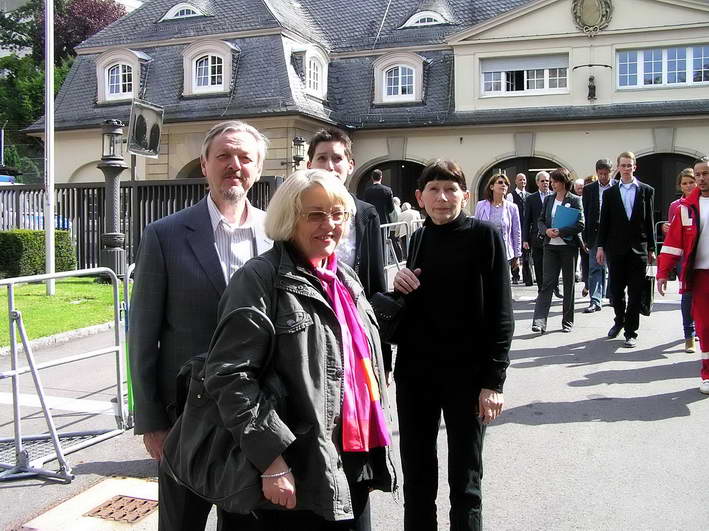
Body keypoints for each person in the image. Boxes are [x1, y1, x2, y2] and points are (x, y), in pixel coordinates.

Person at [203, 169, 396, 528]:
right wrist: (271, 461)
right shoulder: (259, 279)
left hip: (351, 458)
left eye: (338, 214)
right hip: (294, 469)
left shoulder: (343, 277)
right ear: (290, 219)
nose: (330, 224)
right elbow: (229, 377)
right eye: (316, 214)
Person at [129, 120, 271, 530]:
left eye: (245, 157)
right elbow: (142, 336)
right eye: (224, 155)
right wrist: (151, 420)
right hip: (184, 420)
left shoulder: (277, 235)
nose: (234, 165)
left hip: (253, 418)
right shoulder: (164, 235)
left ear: (257, 168)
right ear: (204, 164)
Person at [393, 160, 513, 531]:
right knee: (417, 478)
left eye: (450, 189)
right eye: (434, 190)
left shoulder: (485, 236)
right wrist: (399, 285)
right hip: (416, 375)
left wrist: (493, 382)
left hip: (467, 375)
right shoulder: (417, 239)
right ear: (420, 197)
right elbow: (411, 307)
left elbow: (502, 313)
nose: (442, 198)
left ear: (465, 194)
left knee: (466, 481)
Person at [306, 128, 391, 376]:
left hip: (355, 328)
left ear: (351, 165)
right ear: (309, 164)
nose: (330, 166)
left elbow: (376, 281)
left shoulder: (366, 214)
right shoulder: (295, 210)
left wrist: (382, 354)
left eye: (337, 158)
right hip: (309, 329)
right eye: (322, 158)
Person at [658, 157, 709, 394]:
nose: (701, 178)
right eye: (698, 174)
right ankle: (707, 374)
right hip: (699, 275)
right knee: (705, 326)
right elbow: (672, 243)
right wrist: (662, 273)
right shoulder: (685, 208)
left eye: (705, 174)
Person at [596, 151, 656, 348]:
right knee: (615, 290)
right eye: (623, 165)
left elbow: (650, 221)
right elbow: (604, 222)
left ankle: (631, 331)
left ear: (634, 167)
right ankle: (619, 321)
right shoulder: (610, 193)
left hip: (639, 249)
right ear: (618, 168)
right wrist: (600, 246)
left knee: (636, 292)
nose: (627, 169)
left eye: (630, 165)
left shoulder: (646, 190)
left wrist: (652, 248)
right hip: (616, 249)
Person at [531, 168, 585, 334]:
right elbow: (540, 220)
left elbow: (580, 224)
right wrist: (545, 230)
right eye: (551, 181)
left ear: (563, 182)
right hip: (550, 246)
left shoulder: (575, 200)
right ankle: (539, 321)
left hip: (568, 248)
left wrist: (561, 232)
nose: (552, 184)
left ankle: (567, 321)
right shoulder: (548, 200)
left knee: (568, 285)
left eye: (555, 181)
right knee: (547, 283)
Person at [661, 168, 698, 353]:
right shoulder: (676, 206)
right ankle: (688, 334)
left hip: (703, 257)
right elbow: (672, 235)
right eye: (684, 183)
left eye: (691, 181)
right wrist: (667, 229)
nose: (688, 186)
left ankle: (700, 327)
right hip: (684, 258)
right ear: (680, 186)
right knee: (687, 295)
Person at [582, 159, 615, 313]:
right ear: (597, 173)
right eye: (600, 174)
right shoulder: (589, 190)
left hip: (614, 233)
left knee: (614, 266)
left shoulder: (618, 187)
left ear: (611, 172)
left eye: (606, 173)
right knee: (595, 266)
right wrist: (585, 237)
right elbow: (585, 213)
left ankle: (613, 296)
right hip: (595, 233)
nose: (603, 176)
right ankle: (595, 300)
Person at [474, 173, 522, 278]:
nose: (504, 185)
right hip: (484, 251)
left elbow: (516, 232)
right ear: (491, 187)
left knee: (502, 283)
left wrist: (517, 256)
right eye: (500, 182)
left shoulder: (512, 207)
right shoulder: (481, 205)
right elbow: (475, 229)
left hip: (504, 251)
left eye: (506, 183)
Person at [523, 171, 561, 298]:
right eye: (542, 181)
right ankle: (541, 290)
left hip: (554, 236)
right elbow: (527, 220)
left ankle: (555, 286)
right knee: (539, 265)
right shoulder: (531, 199)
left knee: (554, 264)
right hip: (537, 237)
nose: (545, 183)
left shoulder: (556, 196)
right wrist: (525, 239)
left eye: (547, 181)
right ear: (537, 183)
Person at [507, 172, 533, 285]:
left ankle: (528, 277)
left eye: (524, 180)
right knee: (516, 254)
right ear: (516, 182)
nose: (522, 182)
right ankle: (515, 275)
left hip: (527, 228)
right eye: (520, 180)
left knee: (527, 254)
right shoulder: (510, 196)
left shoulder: (530, 196)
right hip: (515, 227)